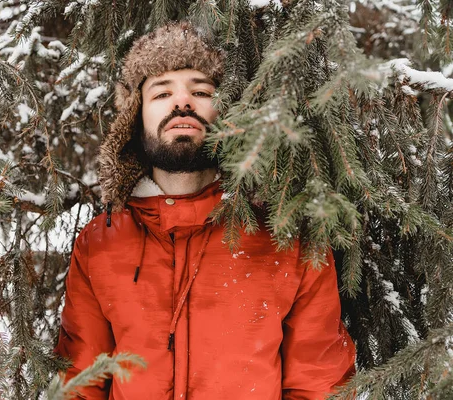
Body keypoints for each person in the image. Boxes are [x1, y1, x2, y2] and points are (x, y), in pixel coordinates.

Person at [55, 21, 356, 399]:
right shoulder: (100, 244)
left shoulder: (287, 237)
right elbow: (80, 385)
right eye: (162, 93)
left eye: (200, 90)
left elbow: (318, 384)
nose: (183, 103)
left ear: (228, 110)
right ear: (136, 116)